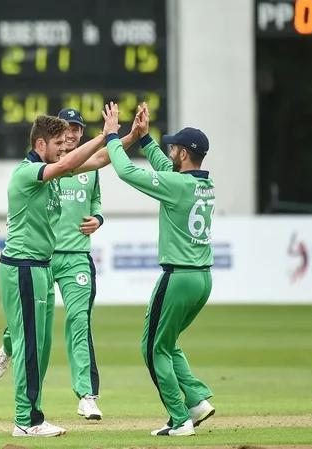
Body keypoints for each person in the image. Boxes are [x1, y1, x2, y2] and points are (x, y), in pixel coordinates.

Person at [0, 108, 140, 420]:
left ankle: (79, 397)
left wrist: (130, 138)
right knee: (29, 339)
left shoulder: (58, 166)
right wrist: (106, 135)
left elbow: (98, 161)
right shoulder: (32, 171)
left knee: (63, 330)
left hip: (53, 261)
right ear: (41, 143)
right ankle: (26, 414)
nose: (67, 142)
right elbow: (72, 161)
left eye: (72, 134)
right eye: (60, 139)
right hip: (27, 263)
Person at [106, 103, 216, 437]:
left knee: (152, 350)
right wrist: (144, 139)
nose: (168, 152)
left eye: (172, 148)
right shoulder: (202, 185)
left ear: (182, 154)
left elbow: (126, 173)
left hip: (179, 277)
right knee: (166, 344)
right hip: (201, 278)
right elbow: (163, 169)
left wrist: (113, 137)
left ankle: (179, 419)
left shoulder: (177, 185)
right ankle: (196, 400)